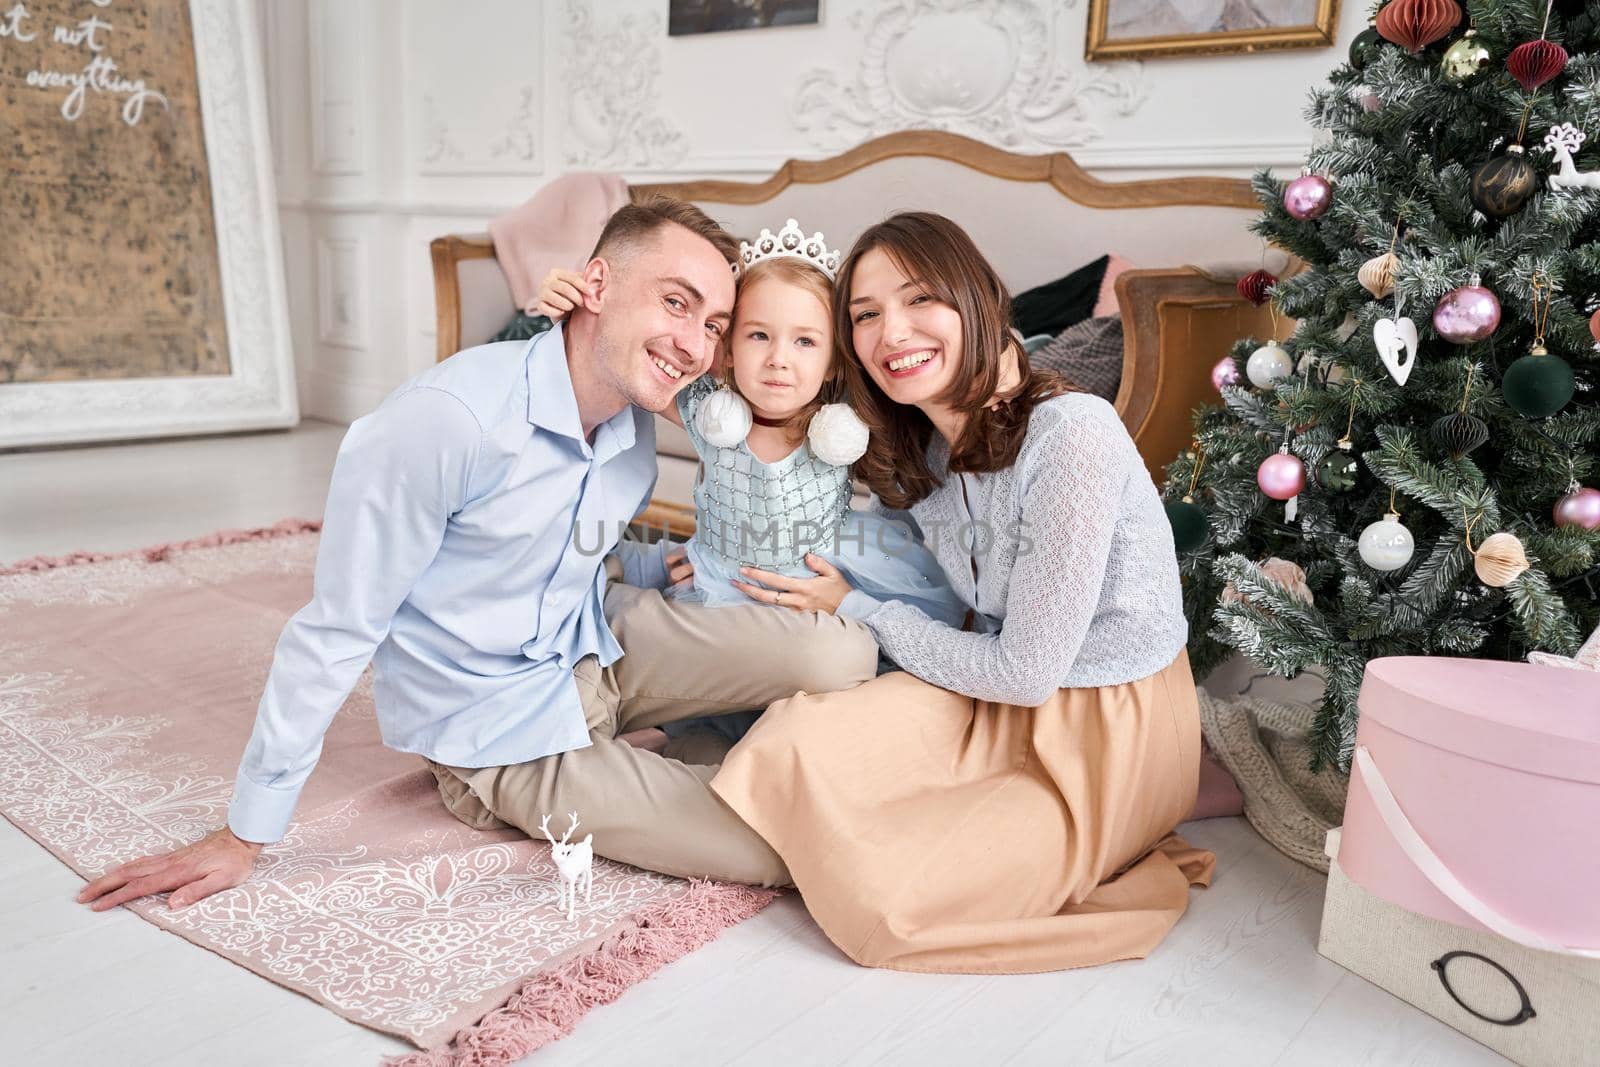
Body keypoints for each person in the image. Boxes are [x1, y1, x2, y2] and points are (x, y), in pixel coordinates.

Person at [76, 198, 878, 913]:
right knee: (775, 850)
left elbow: (571, 545)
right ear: (594, 285)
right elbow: (335, 631)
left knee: (843, 653)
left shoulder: (634, 425)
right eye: (676, 302)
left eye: (712, 324)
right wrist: (245, 832)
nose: (695, 344)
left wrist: (640, 568)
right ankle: (688, 762)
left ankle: (692, 743)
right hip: (499, 732)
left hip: (596, 639)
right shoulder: (443, 421)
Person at [709, 212, 1217, 972]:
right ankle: (587, 792)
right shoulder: (925, 450)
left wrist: (863, 611)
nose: (893, 332)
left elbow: (1026, 672)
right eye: (867, 315)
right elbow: (840, 524)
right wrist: (717, 550)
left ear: (975, 300)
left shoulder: (1070, 432)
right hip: (991, 688)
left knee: (893, 897)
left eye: (919, 300)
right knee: (789, 743)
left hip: (1103, 723)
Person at [533, 217, 964, 754]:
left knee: (824, 704)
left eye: (806, 341)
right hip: (720, 581)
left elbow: (931, 420)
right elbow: (625, 367)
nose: (779, 358)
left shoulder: (841, 423)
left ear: (833, 362)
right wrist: (573, 311)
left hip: (814, 578)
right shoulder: (710, 412)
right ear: (729, 350)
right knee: (712, 715)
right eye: (759, 335)